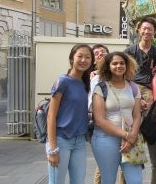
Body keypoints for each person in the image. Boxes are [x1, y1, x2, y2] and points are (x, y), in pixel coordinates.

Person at [91, 52, 143, 184]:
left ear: (127, 65)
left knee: (135, 180)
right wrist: (126, 135)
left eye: (122, 63)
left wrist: (132, 137)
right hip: (105, 139)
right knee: (108, 180)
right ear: (108, 66)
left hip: (131, 139)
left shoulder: (133, 87)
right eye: (114, 63)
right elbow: (100, 120)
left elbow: (137, 115)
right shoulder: (101, 88)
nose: (118, 66)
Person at [46, 44, 93, 184]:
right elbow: (51, 116)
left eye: (87, 57)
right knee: (56, 181)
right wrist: (52, 148)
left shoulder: (86, 83)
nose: (83, 60)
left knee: (79, 180)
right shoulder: (63, 81)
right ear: (72, 58)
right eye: (80, 56)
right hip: (61, 140)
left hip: (79, 141)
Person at [123, 17, 156, 184]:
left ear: (154, 32)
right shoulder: (130, 51)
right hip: (133, 89)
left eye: (150, 29)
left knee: (152, 130)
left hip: (151, 92)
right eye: (144, 29)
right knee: (127, 146)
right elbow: (123, 74)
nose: (147, 32)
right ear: (139, 30)